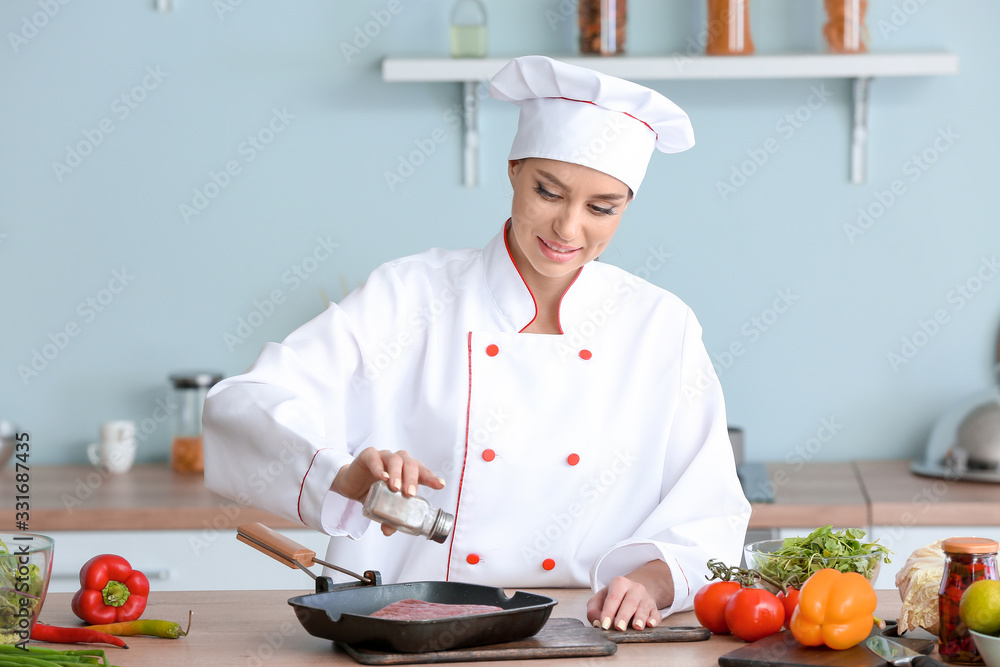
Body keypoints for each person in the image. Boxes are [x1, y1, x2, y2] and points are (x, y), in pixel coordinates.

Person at [204, 55, 750, 633]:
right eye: (548, 191)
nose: (568, 228)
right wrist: (343, 474)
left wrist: (652, 582)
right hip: (412, 629)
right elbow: (241, 402)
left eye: (601, 208)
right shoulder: (409, 295)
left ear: (626, 208)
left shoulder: (661, 326)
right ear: (514, 170)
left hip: (582, 631)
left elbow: (709, 507)